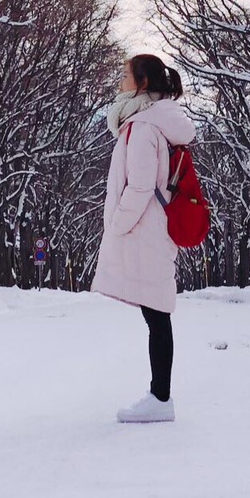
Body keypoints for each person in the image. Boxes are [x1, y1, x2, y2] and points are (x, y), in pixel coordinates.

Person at [93, 53, 196, 423]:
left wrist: (117, 224)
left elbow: (138, 186)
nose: (120, 80)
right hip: (156, 230)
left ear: (143, 83)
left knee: (156, 314)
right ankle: (160, 395)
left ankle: (161, 398)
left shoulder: (142, 126)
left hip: (143, 230)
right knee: (156, 313)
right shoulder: (157, 123)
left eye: (126, 75)